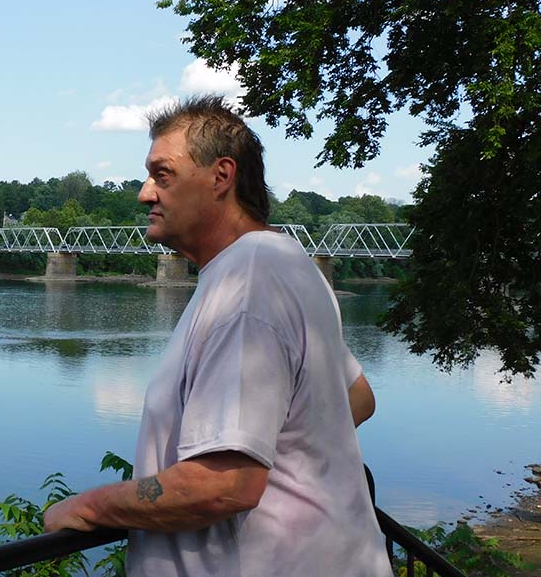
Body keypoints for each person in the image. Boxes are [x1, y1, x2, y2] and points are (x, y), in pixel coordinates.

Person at [43, 96, 391, 576]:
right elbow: (357, 398)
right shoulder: (292, 266)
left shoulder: (247, 282)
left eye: (162, 174)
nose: (145, 193)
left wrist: (91, 506)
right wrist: (286, 452)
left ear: (220, 176)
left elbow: (224, 486)